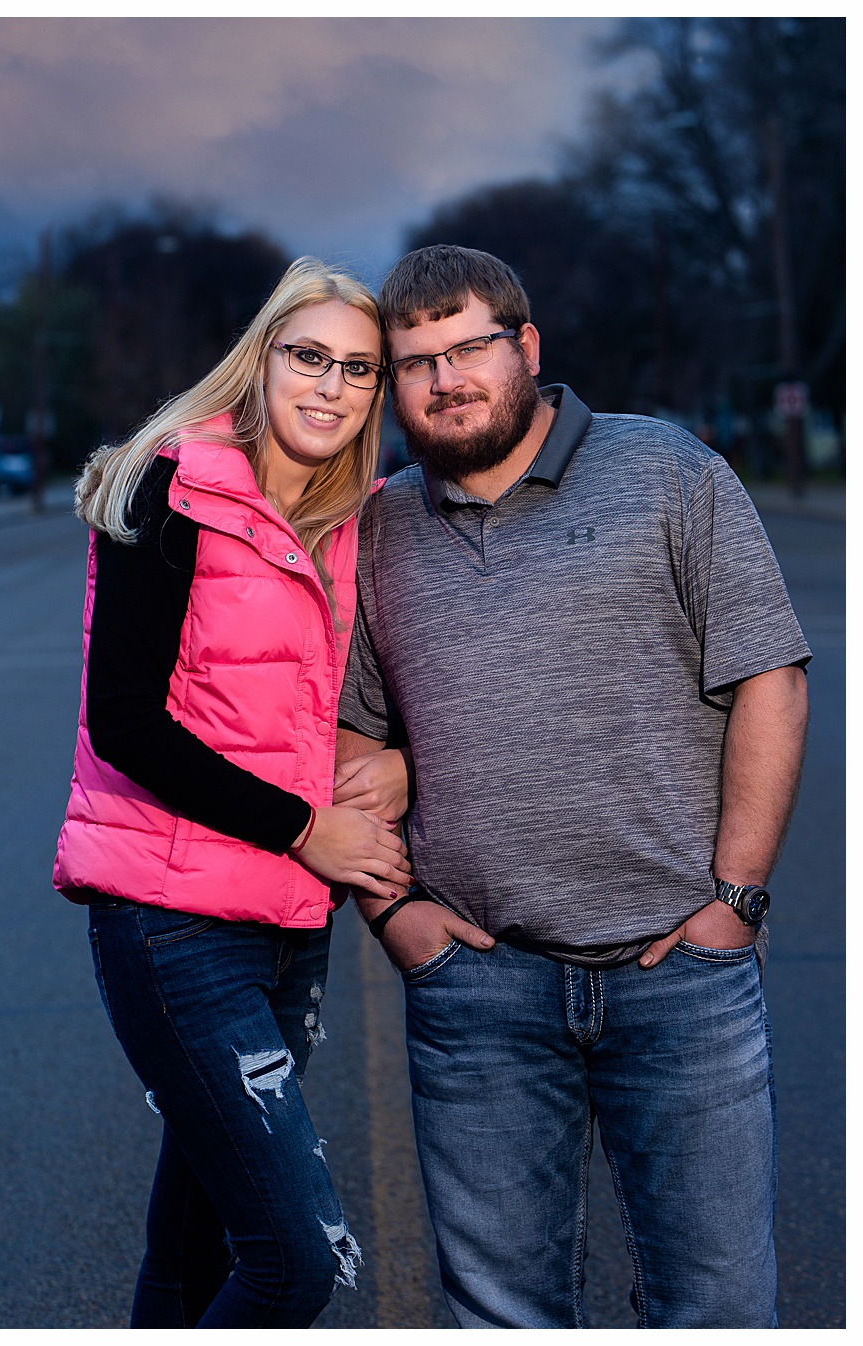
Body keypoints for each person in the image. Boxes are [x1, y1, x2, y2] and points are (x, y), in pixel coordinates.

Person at [339, 245, 810, 1328]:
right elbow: (345, 742)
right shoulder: (377, 530)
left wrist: (734, 901)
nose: (447, 379)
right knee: (504, 1312)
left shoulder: (670, 472)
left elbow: (770, 684)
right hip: (479, 992)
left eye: (469, 348)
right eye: (416, 362)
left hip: (681, 979)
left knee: (720, 1303)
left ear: (527, 348)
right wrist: (397, 913)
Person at [52, 257, 417, 1328]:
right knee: (293, 1260)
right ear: (262, 362)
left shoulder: (355, 520)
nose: (331, 385)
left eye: (359, 367)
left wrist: (396, 763)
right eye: (309, 355)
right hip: (174, 929)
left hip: (289, 928)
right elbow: (123, 722)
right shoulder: (172, 485)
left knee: (193, 1241)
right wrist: (307, 826)